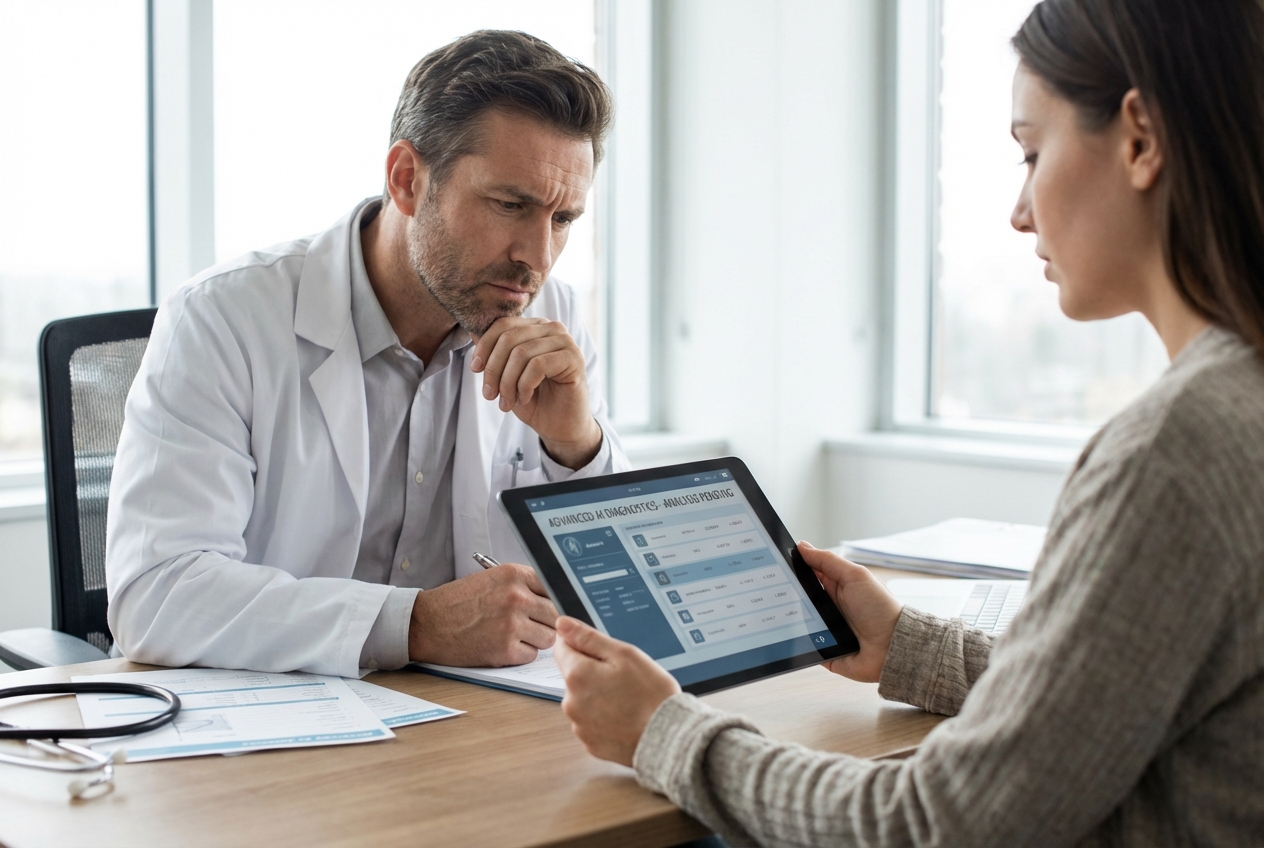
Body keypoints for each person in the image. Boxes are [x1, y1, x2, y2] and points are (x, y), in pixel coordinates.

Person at [553, 0, 1264, 844]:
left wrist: (662, 732)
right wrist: (905, 646)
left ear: (1141, 139)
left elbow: (940, 824)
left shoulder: (1177, 450)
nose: (1020, 210)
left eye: (1032, 153)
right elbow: (1110, 692)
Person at [105, 31, 628, 679]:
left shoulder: (556, 319)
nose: (538, 257)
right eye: (509, 205)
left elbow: (626, 600)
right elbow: (157, 594)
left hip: (471, 712)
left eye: (563, 219)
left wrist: (577, 446)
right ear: (407, 180)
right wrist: (416, 624)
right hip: (274, 712)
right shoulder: (224, 317)